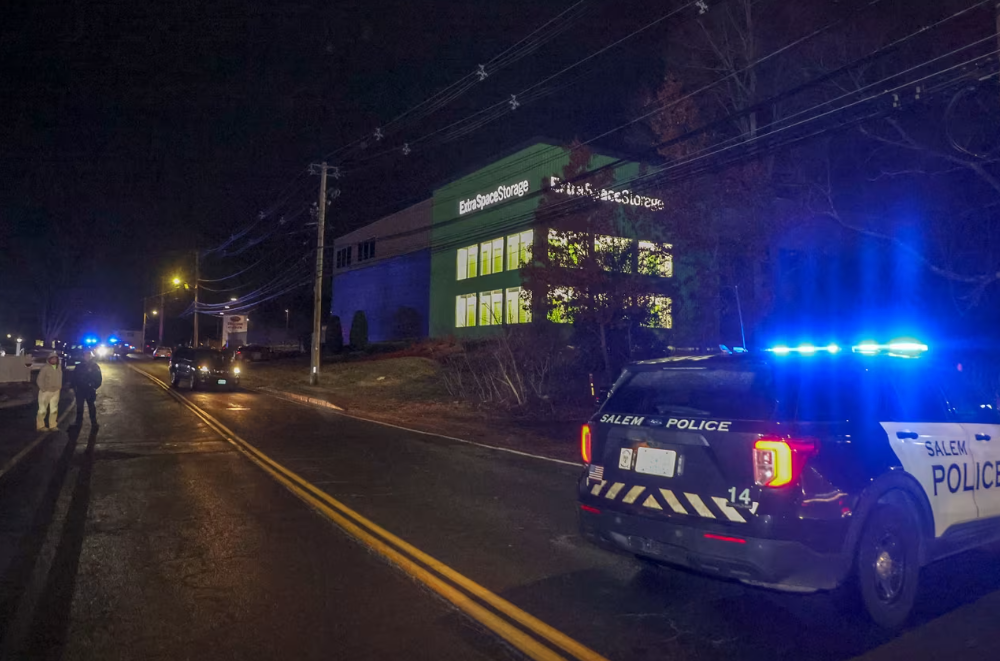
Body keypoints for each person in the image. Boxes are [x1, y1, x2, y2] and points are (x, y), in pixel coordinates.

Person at [72, 350, 102, 428]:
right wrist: (73, 386)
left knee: (91, 406)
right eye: (85, 355)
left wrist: (93, 386)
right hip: (80, 390)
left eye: (88, 355)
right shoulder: (79, 366)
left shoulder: (95, 366)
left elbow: (98, 378)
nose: (87, 357)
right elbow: (74, 377)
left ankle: (94, 422)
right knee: (79, 407)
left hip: (90, 390)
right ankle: (78, 422)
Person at [36, 353, 63, 432]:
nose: (54, 360)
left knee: (54, 409)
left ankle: (53, 425)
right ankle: (40, 426)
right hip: (45, 392)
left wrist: (59, 387)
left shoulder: (58, 367)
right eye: (52, 358)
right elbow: (39, 379)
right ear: (49, 359)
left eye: (55, 358)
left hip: (56, 391)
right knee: (42, 410)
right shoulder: (45, 368)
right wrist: (43, 389)